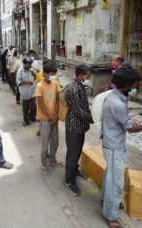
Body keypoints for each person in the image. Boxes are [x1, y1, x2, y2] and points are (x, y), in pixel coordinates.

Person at [101, 65, 142, 228]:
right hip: (114, 146)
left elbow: (122, 120)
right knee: (116, 182)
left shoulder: (114, 96)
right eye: (134, 85)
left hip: (110, 142)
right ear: (126, 85)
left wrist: (134, 120)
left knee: (110, 176)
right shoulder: (117, 102)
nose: (135, 88)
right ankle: (110, 216)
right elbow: (130, 129)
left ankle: (106, 200)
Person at [65, 65, 92, 196]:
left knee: (77, 151)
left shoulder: (80, 85)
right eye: (87, 75)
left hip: (80, 126)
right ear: (80, 75)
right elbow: (78, 110)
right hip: (73, 126)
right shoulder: (73, 89)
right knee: (72, 153)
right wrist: (92, 117)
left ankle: (74, 170)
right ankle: (69, 180)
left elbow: (85, 104)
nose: (89, 78)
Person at [35, 62, 64, 174]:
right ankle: (43, 163)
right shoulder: (39, 86)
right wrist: (51, 117)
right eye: (51, 74)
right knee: (45, 143)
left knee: (55, 142)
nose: (53, 76)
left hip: (54, 118)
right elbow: (40, 104)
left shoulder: (55, 83)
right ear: (45, 73)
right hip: (44, 119)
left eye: (54, 74)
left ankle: (52, 160)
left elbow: (58, 100)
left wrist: (56, 116)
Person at [16, 57, 36, 126]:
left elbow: (36, 78)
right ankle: (26, 120)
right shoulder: (20, 71)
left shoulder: (32, 70)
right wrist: (25, 82)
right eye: (28, 64)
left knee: (34, 106)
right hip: (24, 92)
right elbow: (18, 82)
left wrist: (34, 74)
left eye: (30, 64)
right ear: (24, 64)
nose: (30, 65)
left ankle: (32, 117)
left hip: (32, 92)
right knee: (25, 108)